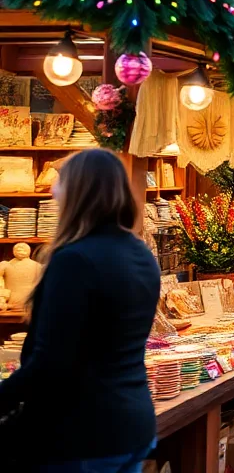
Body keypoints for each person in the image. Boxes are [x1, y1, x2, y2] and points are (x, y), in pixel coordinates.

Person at [0, 149, 160, 471]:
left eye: (60, 182)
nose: (52, 191)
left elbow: (52, 361)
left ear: (80, 191)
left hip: (82, 434)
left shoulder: (75, 260)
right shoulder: (140, 254)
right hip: (133, 423)